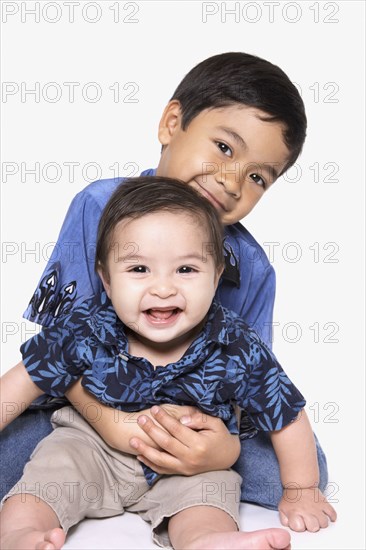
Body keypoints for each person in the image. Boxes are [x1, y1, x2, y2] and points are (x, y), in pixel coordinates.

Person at [0, 51, 328, 508]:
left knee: (297, 469)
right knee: (16, 439)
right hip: (85, 413)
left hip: (190, 424)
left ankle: (189, 486)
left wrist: (223, 448)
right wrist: (111, 422)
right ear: (172, 123)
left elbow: (255, 382)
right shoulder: (98, 207)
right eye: (224, 147)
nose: (233, 182)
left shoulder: (251, 266)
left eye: (257, 177)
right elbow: (57, 348)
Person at [0, 178, 336, 550]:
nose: (163, 288)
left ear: (216, 275)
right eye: (139, 270)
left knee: (209, 494)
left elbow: (285, 412)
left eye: (186, 270)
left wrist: (301, 488)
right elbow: (20, 383)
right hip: (90, 448)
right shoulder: (85, 329)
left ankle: (207, 541)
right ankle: (18, 534)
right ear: (106, 280)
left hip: (188, 461)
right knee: (46, 477)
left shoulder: (236, 344)